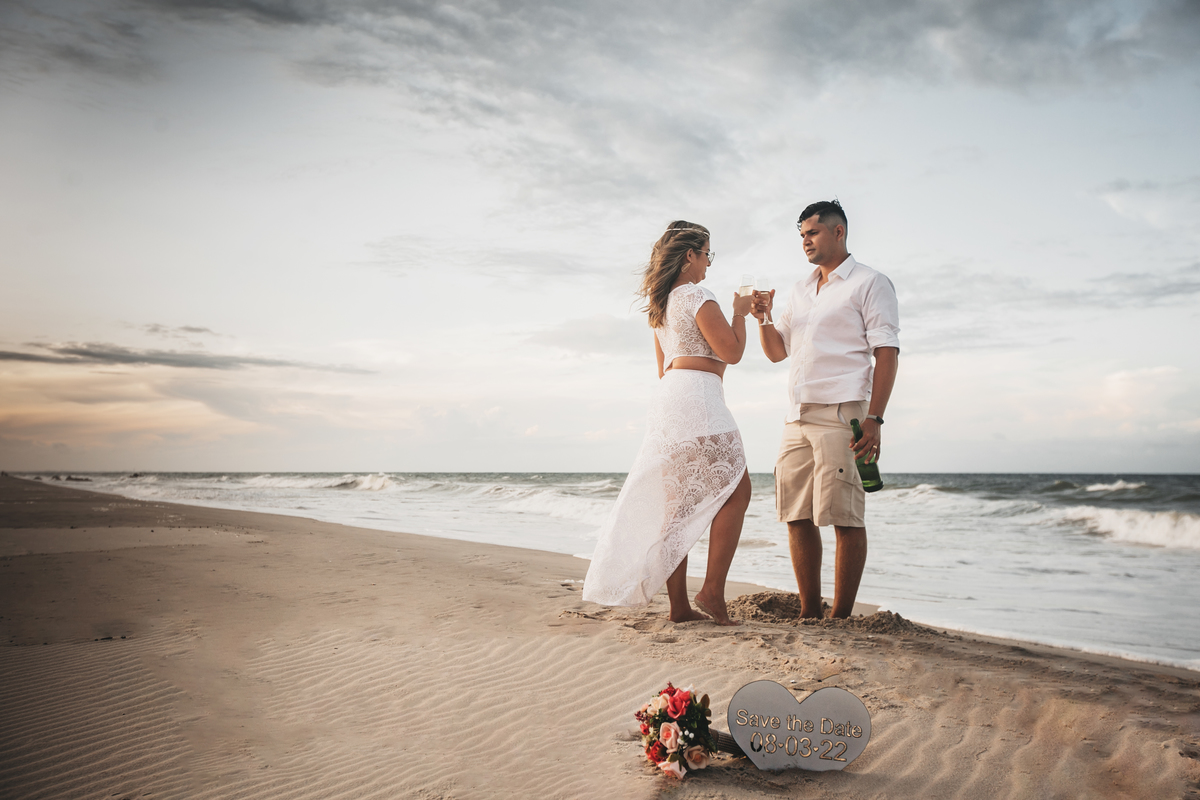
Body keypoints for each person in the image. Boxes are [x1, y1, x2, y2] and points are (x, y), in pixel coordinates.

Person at [583, 221, 753, 626]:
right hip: (698, 397)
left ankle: (679, 607)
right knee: (738, 488)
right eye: (707, 254)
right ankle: (712, 590)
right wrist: (740, 314)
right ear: (689, 256)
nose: (709, 263)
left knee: (678, 505)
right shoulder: (696, 295)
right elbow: (730, 353)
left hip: (671, 397)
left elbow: (664, 367)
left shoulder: (659, 308)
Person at [752, 200, 899, 619]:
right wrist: (763, 318)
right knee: (795, 514)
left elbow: (886, 353)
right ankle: (809, 611)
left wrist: (874, 418)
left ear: (838, 232)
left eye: (812, 233)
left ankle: (840, 616)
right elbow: (778, 352)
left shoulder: (870, 283)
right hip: (797, 414)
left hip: (843, 412)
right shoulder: (799, 291)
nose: (805, 242)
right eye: (801, 236)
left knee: (844, 515)